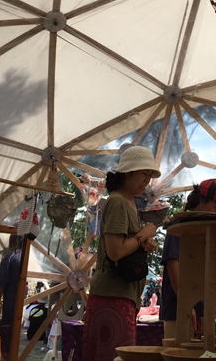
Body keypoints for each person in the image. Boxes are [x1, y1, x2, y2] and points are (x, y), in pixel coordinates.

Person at [82, 146, 160, 361]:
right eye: (144, 173)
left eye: (150, 175)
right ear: (128, 173)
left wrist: (144, 241)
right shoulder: (118, 202)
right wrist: (144, 233)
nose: (147, 180)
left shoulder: (129, 203)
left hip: (121, 295)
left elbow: (126, 244)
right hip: (112, 296)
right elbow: (115, 252)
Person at [159, 178, 216, 338]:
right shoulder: (179, 226)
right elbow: (173, 265)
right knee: (176, 349)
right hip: (177, 309)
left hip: (200, 309)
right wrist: (186, 305)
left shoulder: (206, 230)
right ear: (201, 200)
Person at [0, 234, 22, 361]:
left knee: (4, 352)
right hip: (18, 313)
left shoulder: (10, 257)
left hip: (9, 313)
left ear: (11, 241)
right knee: (12, 350)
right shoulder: (25, 259)